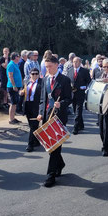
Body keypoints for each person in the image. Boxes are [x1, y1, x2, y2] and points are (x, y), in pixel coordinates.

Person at [37, 56, 72, 188]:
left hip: (59, 117)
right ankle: (60, 163)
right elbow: (42, 99)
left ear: (57, 65)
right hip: (47, 116)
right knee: (50, 145)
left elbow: (69, 99)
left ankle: (50, 175)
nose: (48, 69)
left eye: (50, 66)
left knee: (55, 145)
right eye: (46, 67)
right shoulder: (45, 79)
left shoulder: (65, 80)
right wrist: (40, 113)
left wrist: (61, 104)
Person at [21, 67, 42, 152]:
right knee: (32, 125)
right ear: (30, 75)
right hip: (28, 105)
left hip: (36, 106)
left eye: (36, 74)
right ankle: (36, 141)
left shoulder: (41, 83)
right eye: (33, 74)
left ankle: (30, 144)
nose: (34, 75)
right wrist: (21, 93)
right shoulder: (27, 82)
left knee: (33, 125)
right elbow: (23, 91)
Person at [71, 57, 91, 134]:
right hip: (72, 94)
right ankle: (81, 124)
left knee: (78, 110)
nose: (75, 63)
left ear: (79, 62)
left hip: (81, 93)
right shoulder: (70, 71)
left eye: (76, 62)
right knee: (74, 110)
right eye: (73, 62)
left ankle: (76, 127)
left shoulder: (85, 71)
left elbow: (89, 82)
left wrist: (84, 87)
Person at [7, 52, 23, 125]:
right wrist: (14, 85)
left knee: (15, 103)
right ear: (14, 57)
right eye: (18, 56)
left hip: (17, 86)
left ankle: (13, 117)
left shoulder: (15, 64)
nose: (19, 57)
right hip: (12, 86)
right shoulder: (11, 64)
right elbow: (10, 76)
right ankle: (11, 119)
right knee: (13, 103)